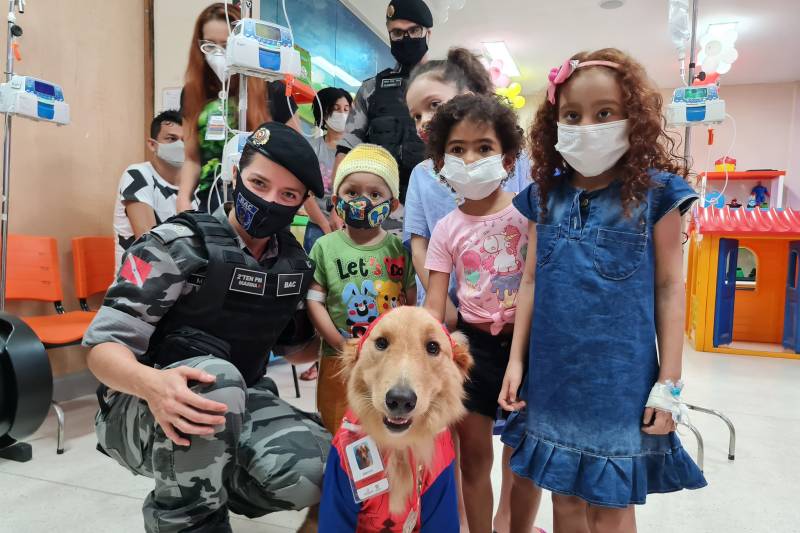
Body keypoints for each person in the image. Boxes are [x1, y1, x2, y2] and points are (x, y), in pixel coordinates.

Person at [85, 122, 331, 533]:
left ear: (303, 202)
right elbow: (100, 348)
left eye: (287, 195)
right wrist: (153, 386)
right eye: (258, 183)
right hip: (142, 405)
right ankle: (186, 518)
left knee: (319, 465)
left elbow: (297, 349)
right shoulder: (177, 244)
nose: (269, 201)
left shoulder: (292, 264)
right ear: (236, 176)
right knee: (215, 379)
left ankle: (214, 481)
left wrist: (353, 335)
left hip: (235, 400)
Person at [498, 49, 707, 533]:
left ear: (633, 119)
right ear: (555, 123)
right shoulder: (543, 197)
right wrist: (516, 360)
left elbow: (670, 289)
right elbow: (530, 279)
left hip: (621, 385)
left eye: (605, 113)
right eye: (572, 115)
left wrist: (669, 385)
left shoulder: (659, 195)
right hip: (553, 379)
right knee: (566, 500)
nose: (587, 125)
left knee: (610, 505)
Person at [403, 47, 540, 533]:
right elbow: (435, 309)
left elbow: (534, 280)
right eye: (457, 151)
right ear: (441, 161)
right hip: (473, 349)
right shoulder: (444, 229)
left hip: (532, 344)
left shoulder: (529, 212)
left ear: (506, 155)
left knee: (526, 459)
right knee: (473, 459)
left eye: (484, 148)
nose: (470, 159)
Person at [306, 144, 416, 435]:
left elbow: (411, 302)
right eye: (352, 193)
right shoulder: (324, 247)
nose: (363, 202)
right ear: (336, 200)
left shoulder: (399, 250)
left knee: (383, 429)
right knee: (338, 430)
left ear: (392, 205)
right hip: (338, 360)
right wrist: (341, 345)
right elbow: (314, 301)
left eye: (375, 194)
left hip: (389, 361)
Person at [175, 3, 297, 214]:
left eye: (225, 44)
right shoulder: (194, 93)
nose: (218, 53)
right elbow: (192, 159)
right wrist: (183, 200)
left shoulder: (271, 89)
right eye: (210, 46)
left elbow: (296, 151)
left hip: (261, 201)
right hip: (211, 203)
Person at [330, 0, 434, 232]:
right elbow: (347, 150)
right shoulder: (371, 89)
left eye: (413, 31)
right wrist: (335, 205)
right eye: (397, 33)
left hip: (437, 211)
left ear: (428, 33)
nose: (405, 38)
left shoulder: (449, 85)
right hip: (380, 214)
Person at [299, 87, 354, 382]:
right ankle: (320, 357)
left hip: (350, 228)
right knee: (319, 294)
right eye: (336, 107)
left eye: (348, 107)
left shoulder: (356, 149)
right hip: (317, 227)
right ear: (323, 112)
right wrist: (324, 224)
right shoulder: (312, 147)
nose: (342, 113)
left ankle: (348, 351)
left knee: (346, 292)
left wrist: (342, 222)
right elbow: (306, 194)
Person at [113, 110, 187, 270]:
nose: (180, 145)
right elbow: (150, 244)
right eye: (171, 139)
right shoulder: (137, 175)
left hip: (177, 279)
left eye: (184, 140)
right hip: (136, 284)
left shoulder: (191, 188)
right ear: (152, 144)